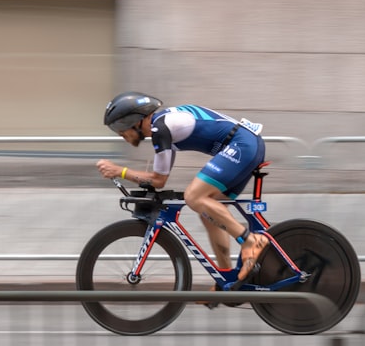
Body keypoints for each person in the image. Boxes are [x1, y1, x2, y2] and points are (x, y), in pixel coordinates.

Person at [96, 91, 269, 283]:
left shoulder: (160, 129)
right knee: (209, 215)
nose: (121, 135)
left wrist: (119, 171)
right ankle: (226, 279)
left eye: (120, 128)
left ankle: (251, 241)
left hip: (242, 146)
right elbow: (159, 177)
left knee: (194, 197)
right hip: (246, 145)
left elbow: (158, 180)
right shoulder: (164, 124)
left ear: (135, 120)